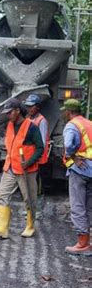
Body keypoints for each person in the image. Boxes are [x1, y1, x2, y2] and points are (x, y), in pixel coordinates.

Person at [0, 98, 44, 239]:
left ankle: (30, 226)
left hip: (26, 170)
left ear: (18, 111)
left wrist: (29, 162)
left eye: (10, 112)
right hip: (11, 166)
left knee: (29, 198)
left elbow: (40, 148)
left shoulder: (32, 128)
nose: (7, 115)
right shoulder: (9, 125)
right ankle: (2, 229)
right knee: (2, 195)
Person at [61, 99, 92, 256]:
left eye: (64, 111)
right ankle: (89, 241)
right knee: (89, 206)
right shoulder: (89, 123)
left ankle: (83, 244)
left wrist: (73, 157)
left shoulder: (71, 125)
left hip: (80, 170)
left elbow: (69, 144)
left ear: (68, 112)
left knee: (78, 206)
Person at [24, 93, 49, 199]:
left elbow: (42, 142)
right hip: (29, 156)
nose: (29, 108)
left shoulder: (41, 121)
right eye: (28, 106)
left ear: (37, 107)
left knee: (36, 184)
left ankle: (36, 208)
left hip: (37, 158)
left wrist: (35, 155)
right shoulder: (28, 118)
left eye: (31, 106)